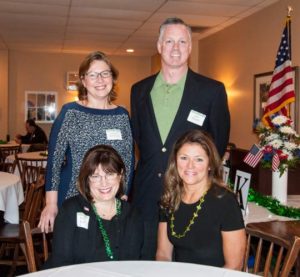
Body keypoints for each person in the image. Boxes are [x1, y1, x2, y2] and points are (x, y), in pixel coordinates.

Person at [130, 17, 230, 258]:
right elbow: (140, 139)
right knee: (145, 263)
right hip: (146, 197)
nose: (176, 48)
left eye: (182, 41)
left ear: (190, 47)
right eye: (170, 41)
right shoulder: (139, 90)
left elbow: (217, 145)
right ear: (159, 45)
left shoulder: (212, 91)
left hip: (191, 195)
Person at [39, 51, 134, 233]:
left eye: (105, 73)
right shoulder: (70, 113)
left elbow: (128, 160)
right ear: (83, 81)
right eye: (93, 74)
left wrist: (124, 194)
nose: (100, 79)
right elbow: (55, 160)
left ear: (113, 78)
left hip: (110, 200)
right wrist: (51, 203)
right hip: (74, 197)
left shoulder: (122, 115)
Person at [156, 129, 245, 269]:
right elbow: (163, 254)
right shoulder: (170, 197)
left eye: (199, 159)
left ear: (210, 164)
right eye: (184, 158)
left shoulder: (225, 202)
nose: (190, 166)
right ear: (175, 160)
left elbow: (234, 265)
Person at [43, 145, 144, 268]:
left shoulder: (132, 215)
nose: (104, 183)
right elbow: (61, 263)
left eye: (110, 174)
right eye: (95, 176)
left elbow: (131, 266)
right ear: (87, 179)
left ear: (120, 175)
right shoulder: (71, 210)